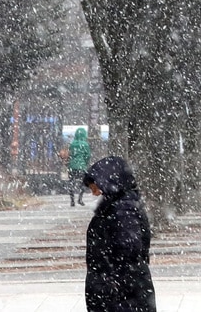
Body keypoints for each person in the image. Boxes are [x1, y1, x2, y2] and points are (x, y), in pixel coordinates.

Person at [83, 156, 156, 312]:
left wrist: (109, 284)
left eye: (94, 187)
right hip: (119, 292)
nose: (94, 193)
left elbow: (129, 251)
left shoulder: (123, 210)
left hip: (121, 296)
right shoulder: (117, 205)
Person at [69, 127, 91, 206]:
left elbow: (70, 154)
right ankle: (80, 199)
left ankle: (72, 201)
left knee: (71, 182)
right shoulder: (85, 145)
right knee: (83, 183)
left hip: (72, 166)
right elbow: (87, 156)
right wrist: (85, 163)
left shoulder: (72, 144)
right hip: (81, 166)